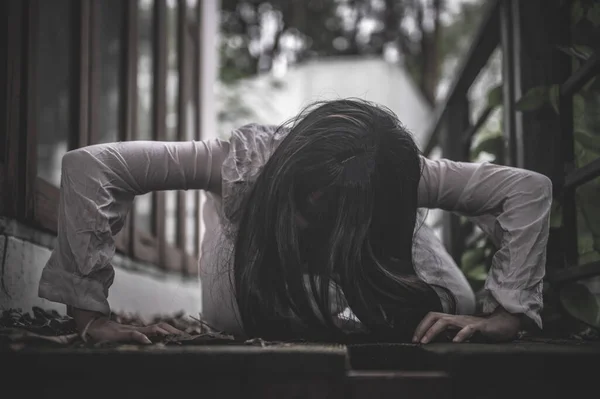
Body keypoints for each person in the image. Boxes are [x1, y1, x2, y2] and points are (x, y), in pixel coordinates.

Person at [38, 99, 552, 345]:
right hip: (249, 281)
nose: (326, 238)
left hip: (382, 267)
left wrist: (507, 312)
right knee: (232, 324)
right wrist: (89, 317)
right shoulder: (245, 164)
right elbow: (93, 166)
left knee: (454, 306)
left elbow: (527, 189)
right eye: (316, 213)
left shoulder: (400, 178)